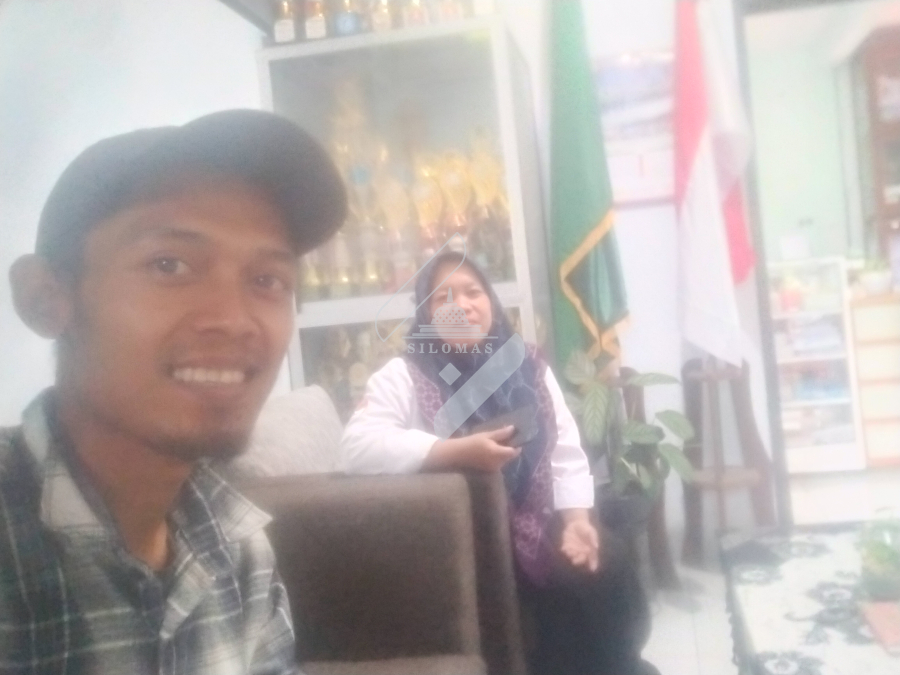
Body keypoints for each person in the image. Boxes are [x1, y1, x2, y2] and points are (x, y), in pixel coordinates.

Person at [0, 110, 346, 673]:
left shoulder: (241, 551)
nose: (233, 320)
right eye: (170, 265)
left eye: (267, 280)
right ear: (45, 298)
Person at [342, 252, 656, 675]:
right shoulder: (404, 375)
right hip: (461, 537)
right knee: (567, 588)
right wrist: (454, 451)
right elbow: (357, 447)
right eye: (444, 298)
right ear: (426, 314)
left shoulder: (527, 366)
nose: (463, 305)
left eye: (473, 292)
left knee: (606, 564)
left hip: (538, 519)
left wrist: (577, 520)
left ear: (490, 300)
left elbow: (564, 449)